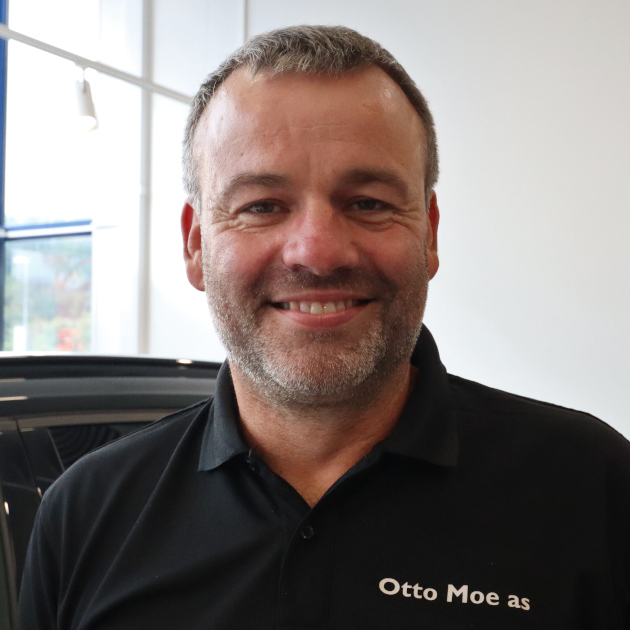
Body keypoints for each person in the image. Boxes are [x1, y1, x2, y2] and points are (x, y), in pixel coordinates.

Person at [19, 25, 630, 630]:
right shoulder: (87, 514)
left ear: (430, 233)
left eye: (368, 203)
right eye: (261, 206)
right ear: (196, 244)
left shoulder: (591, 489)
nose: (317, 253)